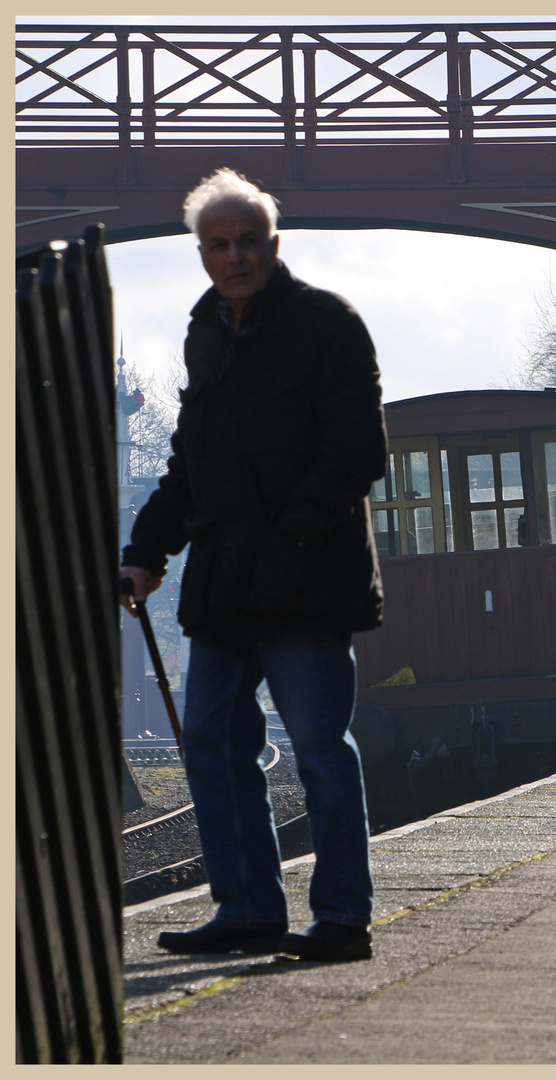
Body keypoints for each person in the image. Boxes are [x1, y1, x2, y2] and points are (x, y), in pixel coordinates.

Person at [118, 168, 387, 964]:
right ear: (202, 254)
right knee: (209, 741)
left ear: (273, 244)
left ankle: (342, 918)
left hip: (306, 586)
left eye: (246, 242)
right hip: (225, 589)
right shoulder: (205, 333)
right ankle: (247, 909)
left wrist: (288, 540)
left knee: (318, 749)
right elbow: (188, 463)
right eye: (218, 246)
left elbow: (357, 453)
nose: (234, 257)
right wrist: (144, 551)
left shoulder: (327, 325)